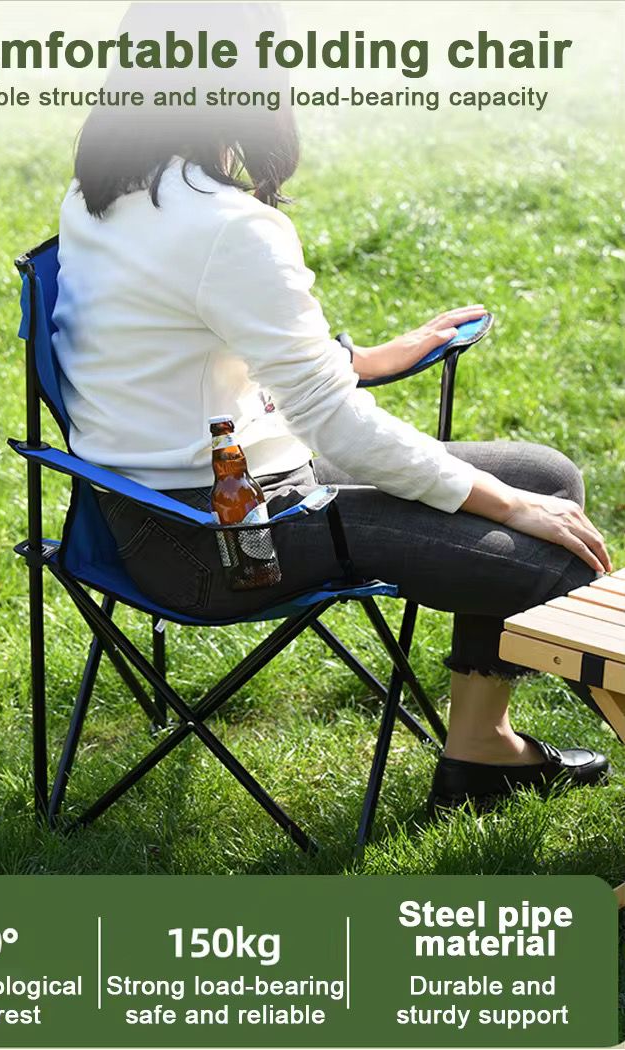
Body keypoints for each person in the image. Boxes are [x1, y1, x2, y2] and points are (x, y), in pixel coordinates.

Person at [52, 3, 612, 814]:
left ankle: (481, 756)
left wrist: (367, 361)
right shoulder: (226, 226)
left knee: (545, 474)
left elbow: (179, 340)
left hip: (143, 513)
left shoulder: (105, 198)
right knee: (548, 559)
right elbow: (339, 425)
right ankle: (486, 757)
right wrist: (502, 504)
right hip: (221, 542)